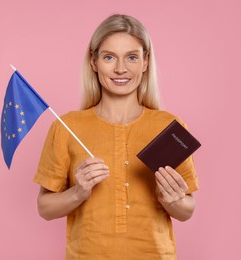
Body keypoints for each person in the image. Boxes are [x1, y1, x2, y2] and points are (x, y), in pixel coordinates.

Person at [34, 14, 198, 260]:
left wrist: (171, 200)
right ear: (94, 61)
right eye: (109, 57)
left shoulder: (169, 128)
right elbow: (44, 209)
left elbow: (187, 211)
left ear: (145, 62)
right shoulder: (67, 127)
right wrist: (78, 192)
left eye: (131, 57)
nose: (121, 69)